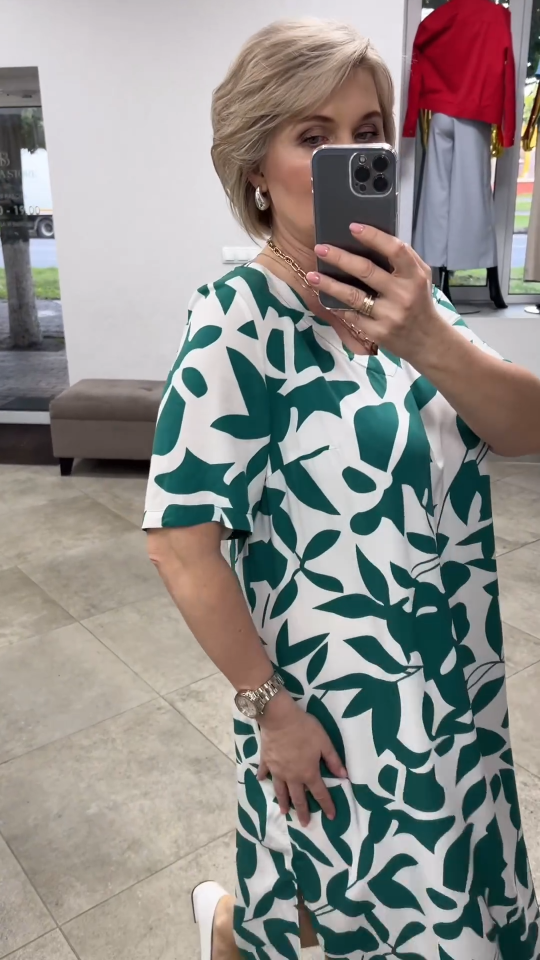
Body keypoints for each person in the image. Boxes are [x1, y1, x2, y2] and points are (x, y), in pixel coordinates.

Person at [143, 18, 540, 960]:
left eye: (366, 132)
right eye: (313, 137)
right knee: (370, 909)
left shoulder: (409, 297)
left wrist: (427, 336)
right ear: (257, 168)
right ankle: (233, 927)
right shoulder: (236, 322)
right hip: (333, 703)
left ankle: (228, 929)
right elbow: (180, 546)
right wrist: (269, 711)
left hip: (452, 677)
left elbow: (524, 429)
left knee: (420, 891)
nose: (350, 156)